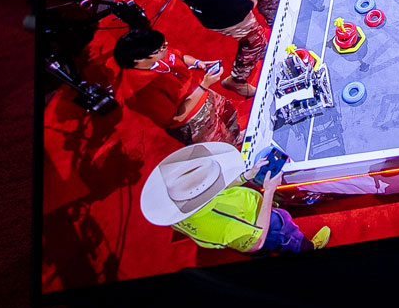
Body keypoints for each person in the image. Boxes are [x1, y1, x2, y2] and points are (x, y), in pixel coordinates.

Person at [140, 142, 330, 253]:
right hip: (260, 225)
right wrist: (270, 191)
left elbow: (215, 191)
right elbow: (256, 242)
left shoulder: (179, 206)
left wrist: (245, 176)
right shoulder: (220, 223)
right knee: (285, 237)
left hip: (246, 216)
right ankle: (309, 249)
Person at [113, 29, 241, 147]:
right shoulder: (141, 91)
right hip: (194, 120)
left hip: (205, 95)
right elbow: (176, 117)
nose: (165, 49)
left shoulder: (158, 52)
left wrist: (197, 63)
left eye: (164, 44)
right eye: (160, 48)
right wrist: (203, 86)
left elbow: (180, 56)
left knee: (229, 118)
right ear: (138, 60)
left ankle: (237, 138)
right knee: (221, 145)